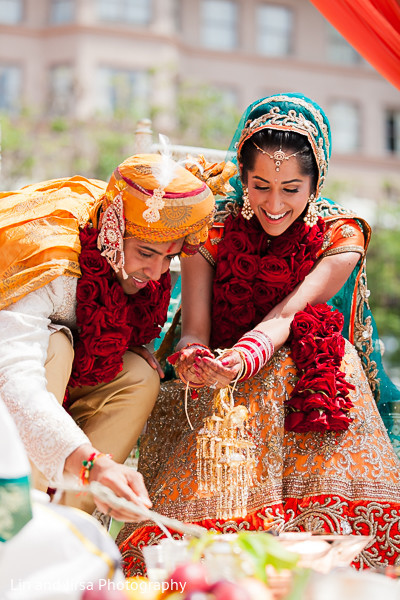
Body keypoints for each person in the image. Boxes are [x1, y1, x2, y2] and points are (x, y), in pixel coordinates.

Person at [117, 94, 400, 575]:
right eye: (259, 186)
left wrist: (240, 361)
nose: (274, 204)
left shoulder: (341, 237)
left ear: (316, 182)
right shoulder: (209, 227)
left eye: (291, 188)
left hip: (289, 373)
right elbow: (195, 330)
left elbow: (286, 318)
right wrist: (194, 359)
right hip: (216, 387)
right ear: (242, 178)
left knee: (318, 361)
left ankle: (319, 542)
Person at [0, 151, 215, 518]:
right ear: (112, 230)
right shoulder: (50, 259)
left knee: (139, 374)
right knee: (57, 348)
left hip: (56, 383)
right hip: (12, 377)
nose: (155, 270)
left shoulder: (138, 264)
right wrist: (92, 465)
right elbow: (14, 379)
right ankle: (19, 520)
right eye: (146, 253)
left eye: (169, 258)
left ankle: (73, 526)